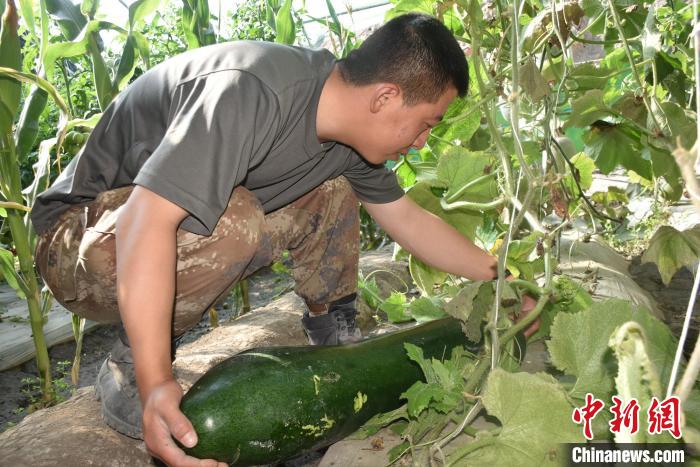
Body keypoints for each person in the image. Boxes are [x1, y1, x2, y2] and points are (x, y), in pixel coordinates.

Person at [31, 12, 530, 467]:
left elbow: (408, 220)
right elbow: (147, 222)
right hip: (76, 241)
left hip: (143, 231)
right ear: (385, 98)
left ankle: (333, 330)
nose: (421, 141)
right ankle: (130, 359)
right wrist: (158, 378)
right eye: (425, 125)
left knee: (333, 188)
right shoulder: (249, 91)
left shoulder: (352, 138)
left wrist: (503, 279)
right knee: (236, 218)